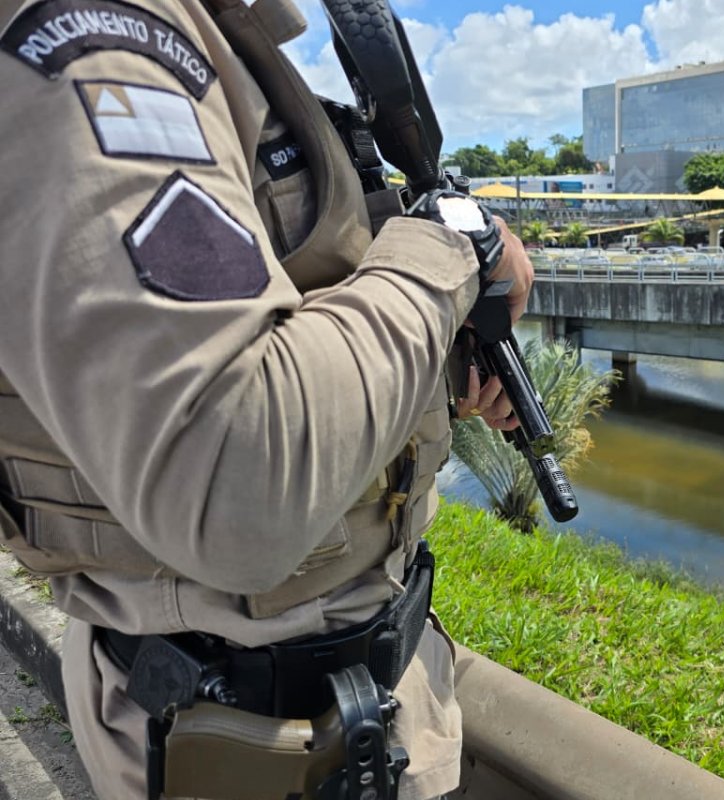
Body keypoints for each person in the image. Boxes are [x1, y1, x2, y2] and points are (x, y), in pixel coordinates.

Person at [0, 1, 532, 798]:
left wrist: (435, 372)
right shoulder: (101, 32)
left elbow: (274, 322)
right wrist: (449, 249)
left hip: (355, 698)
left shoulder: (223, 42)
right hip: (249, 740)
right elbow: (232, 476)